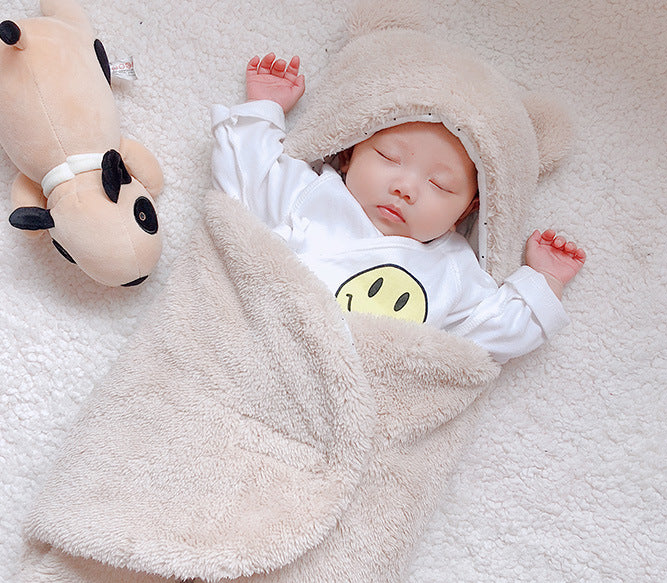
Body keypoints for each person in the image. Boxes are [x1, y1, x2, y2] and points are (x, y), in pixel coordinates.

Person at [211, 53, 586, 363]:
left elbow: (494, 331)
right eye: (388, 157)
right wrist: (263, 107)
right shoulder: (313, 195)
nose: (405, 188)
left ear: (469, 211)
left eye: (440, 185)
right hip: (262, 349)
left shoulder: (452, 271)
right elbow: (247, 175)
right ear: (349, 151)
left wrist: (545, 281)